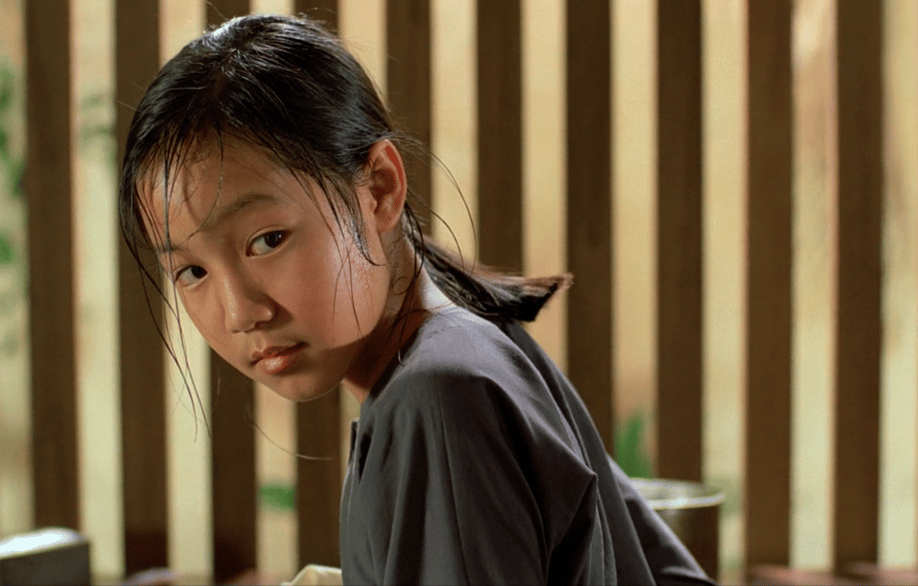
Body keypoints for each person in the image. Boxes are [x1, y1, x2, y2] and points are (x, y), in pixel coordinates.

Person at [119, 13, 717, 586]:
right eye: (191, 271)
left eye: (267, 240)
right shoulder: (477, 339)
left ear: (380, 187)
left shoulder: (439, 394)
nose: (240, 312)